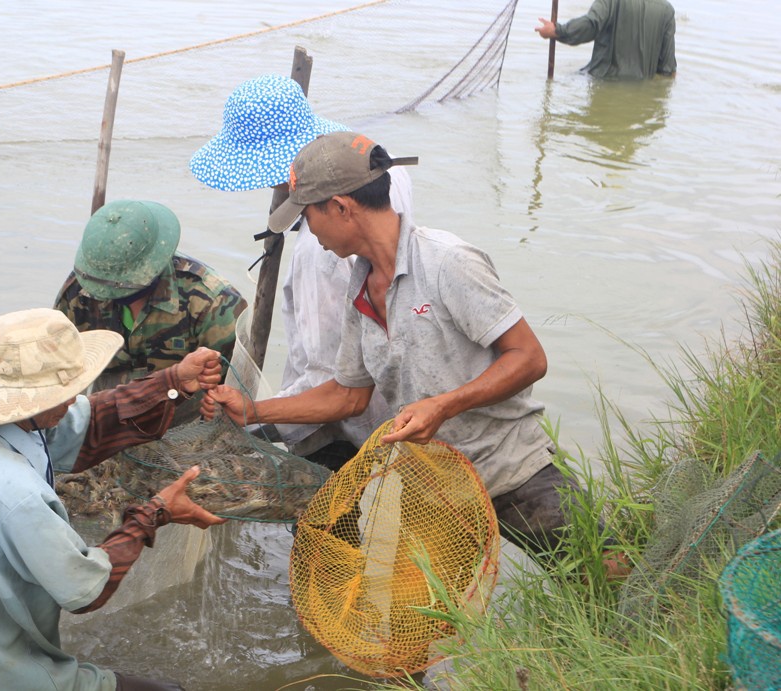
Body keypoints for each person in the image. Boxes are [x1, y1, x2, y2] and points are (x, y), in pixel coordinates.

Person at [204, 131, 625, 573]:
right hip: (436, 490)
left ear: (341, 208)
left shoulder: (448, 262)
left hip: (512, 468)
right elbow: (348, 395)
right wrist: (253, 411)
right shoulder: (359, 286)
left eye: (307, 216)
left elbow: (528, 357)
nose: (308, 231)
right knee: (421, 614)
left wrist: (444, 405)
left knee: (610, 575)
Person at [0, 308, 226, 691]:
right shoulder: (15, 495)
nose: (75, 396)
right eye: (63, 392)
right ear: (29, 401)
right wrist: (154, 514)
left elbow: (89, 424)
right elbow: (86, 588)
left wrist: (172, 382)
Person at [189, 74, 412, 470]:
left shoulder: (319, 251)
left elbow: (329, 379)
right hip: (399, 397)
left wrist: (254, 419)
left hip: (347, 431)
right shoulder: (378, 166)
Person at [54, 199, 246, 398]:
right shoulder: (80, 291)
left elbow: (234, 394)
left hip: (182, 408)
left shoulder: (214, 305)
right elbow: (57, 373)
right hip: (105, 406)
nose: (110, 291)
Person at [535, 0, 677, 80]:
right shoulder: (667, 10)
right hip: (642, 104)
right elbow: (668, 70)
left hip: (604, 83)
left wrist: (556, 31)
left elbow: (591, 25)